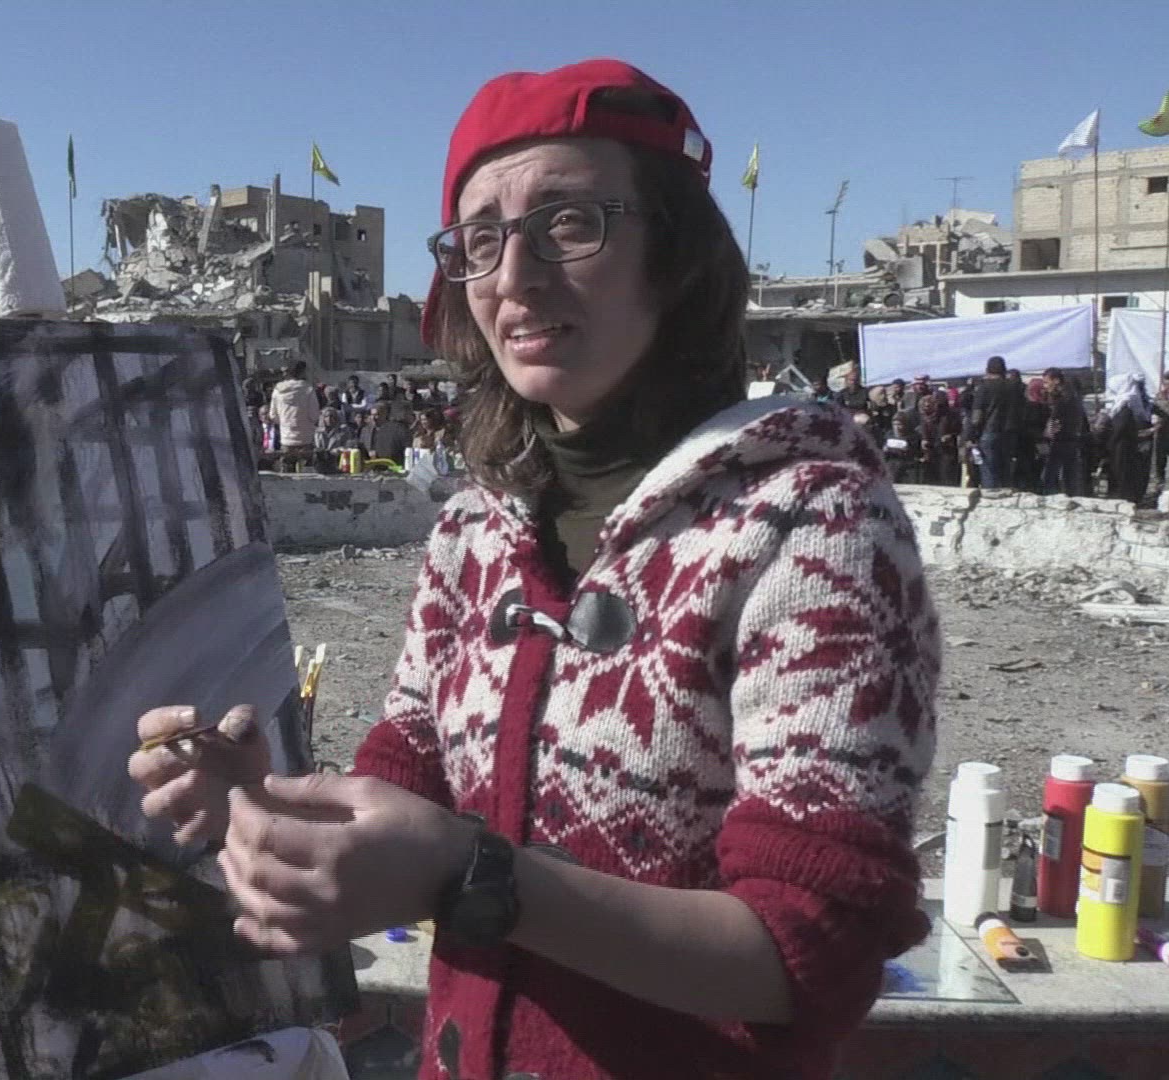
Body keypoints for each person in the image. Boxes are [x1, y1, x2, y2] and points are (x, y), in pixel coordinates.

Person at [129, 58, 935, 1080]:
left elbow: (808, 951)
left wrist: (477, 875)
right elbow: (405, 776)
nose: (514, 276)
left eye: (570, 223)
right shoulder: (475, 534)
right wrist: (269, 805)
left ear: (676, 256)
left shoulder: (811, 525)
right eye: (481, 239)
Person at [970, 356, 1025, 489]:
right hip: (1010, 432)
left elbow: (977, 415)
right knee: (1006, 469)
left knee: (989, 470)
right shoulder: (1015, 387)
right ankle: (1006, 495)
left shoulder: (984, 387)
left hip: (989, 431)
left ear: (987, 369)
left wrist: (973, 434)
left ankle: (991, 497)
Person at [1098, 374, 1152, 505]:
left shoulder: (1125, 406)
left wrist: (1110, 441)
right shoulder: (1122, 403)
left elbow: (1120, 427)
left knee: (1121, 472)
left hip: (1122, 446)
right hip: (1121, 445)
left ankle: (1123, 497)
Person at [1039, 369, 1089, 497]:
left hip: (1061, 440)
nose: (1045, 386)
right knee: (1069, 475)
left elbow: (1055, 420)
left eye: (1046, 382)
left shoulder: (1063, 399)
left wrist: (1047, 434)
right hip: (1071, 439)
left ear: (1056, 381)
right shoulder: (1073, 397)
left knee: (1050, 475)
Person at [270, 361, 321, 464]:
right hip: (306, 439)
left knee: (287, 469)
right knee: (307, 470)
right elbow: (314, 415)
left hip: (286, 438)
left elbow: (273, 416)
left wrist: (285, 422)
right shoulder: (308, 389)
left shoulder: (278, 390)